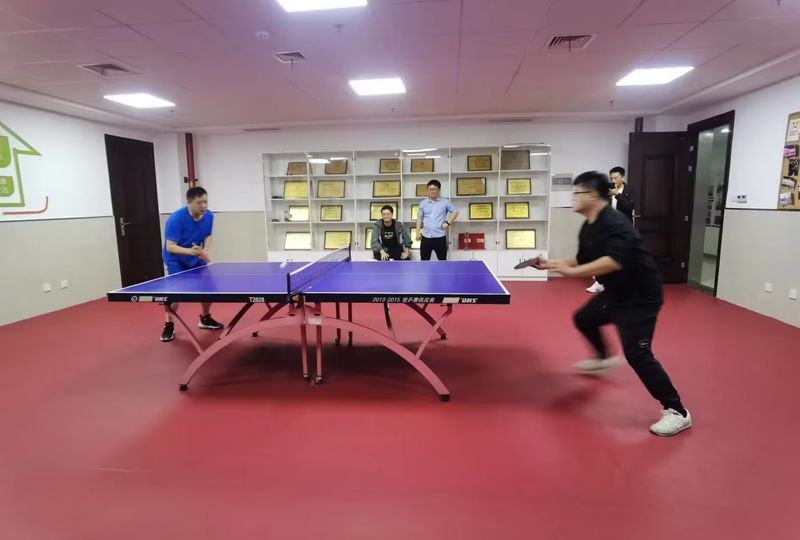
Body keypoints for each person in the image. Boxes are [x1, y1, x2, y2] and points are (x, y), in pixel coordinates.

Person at [525, 171, 691, 436]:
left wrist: (570, 273)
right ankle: (602, 357)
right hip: (617, 292)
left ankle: (677, 411)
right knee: (584, 318)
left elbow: (613, 261)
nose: (573, 198)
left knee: (637, 355)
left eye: (577, 193)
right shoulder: (590, 224)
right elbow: (583, 257)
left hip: (640, 297)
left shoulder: (615, 223)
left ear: (592, 195)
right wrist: (551, 264)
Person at [160, 186, 224, 342]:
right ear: (189, 202)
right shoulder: (176, 219)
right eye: (199, 203)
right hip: (176, 259)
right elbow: (170, 247)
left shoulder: (208, 216)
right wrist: (190, 252)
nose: (204, 206)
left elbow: (208, 235)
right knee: (175, 295)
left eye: (205, 202)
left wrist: (205, 249)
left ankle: (205, 318)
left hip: (196, 257)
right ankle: (169, 324)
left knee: (207, 288)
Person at [587, 166, 636, 293]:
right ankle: (600, 282)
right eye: (611, 178)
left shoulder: (630, 190)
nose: (613, 180)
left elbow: (630, 207)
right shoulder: (607, 190)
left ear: (623, 177)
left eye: (616, 178)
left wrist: (617, 195)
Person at [416, 179, 458, 260]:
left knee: (442, 260)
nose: (432, 191)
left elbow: (455, 211)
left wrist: (447, 223)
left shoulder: (445, 202)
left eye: (434, 189)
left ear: (439, 190)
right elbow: (419, 218)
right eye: (430, 189)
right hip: (426, 236)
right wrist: (418, 232)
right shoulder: (423, 203)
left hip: (440, 236)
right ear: (427, 190)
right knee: (424, 261)